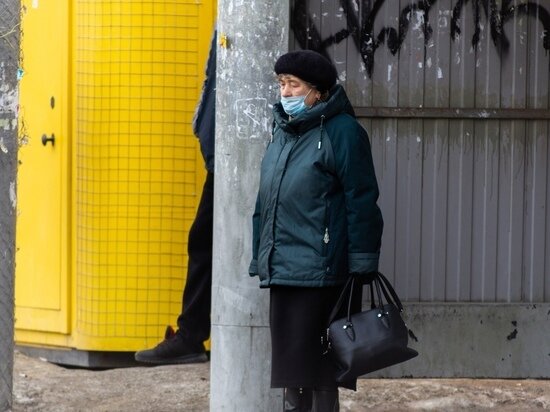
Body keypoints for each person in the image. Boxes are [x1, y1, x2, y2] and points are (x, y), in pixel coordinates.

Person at [248, 50, 384, 411]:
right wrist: (260, 257)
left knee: (323, 373)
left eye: (294, 85)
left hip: (325, 274)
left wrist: (363, 260)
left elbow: (362, 199)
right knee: (292, 373)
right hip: (286, 272)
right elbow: (266, 201)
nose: (286, 92)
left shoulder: (344, 132)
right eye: (282, 84)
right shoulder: (282, 132)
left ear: (319, 91)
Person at [135, 30, 217, 365]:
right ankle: (192, 334)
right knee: (205, 238)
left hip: (247, 150)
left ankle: (193, 334)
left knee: (207, 240)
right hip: (229, 155)